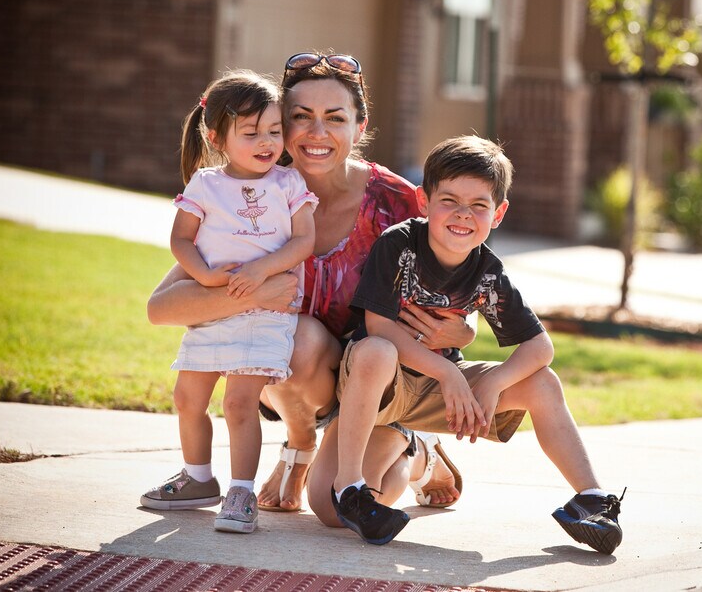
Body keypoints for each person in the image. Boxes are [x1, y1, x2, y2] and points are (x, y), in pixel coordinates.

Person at [146, 51, 467, 522]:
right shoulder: (254, 196)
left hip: (379, 385)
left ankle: (418, 454)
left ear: (360, 128)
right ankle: (300, 444)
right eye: (301, 118)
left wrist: (461, 333)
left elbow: (456, 310)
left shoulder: (399, 203)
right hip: (304, 376)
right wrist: (254, 291)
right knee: (289, 336)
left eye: (335, 118)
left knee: (337, 512)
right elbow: (162, 308)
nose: (317, 134)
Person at [330, 135, 625, 553]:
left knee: (543, 382)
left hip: (436, 394)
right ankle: (352, 488)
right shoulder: (399, 244)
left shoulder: (488, 271)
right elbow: (378, 327)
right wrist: (449, 371)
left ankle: (590, 499)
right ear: (424, 201)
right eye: (448, 200)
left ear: (499, 213)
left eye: (479, 205)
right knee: (329, 513)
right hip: (379, 389)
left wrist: (492, 382)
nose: (462, 215)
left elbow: (540, 348)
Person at [140, 70, 322, 535]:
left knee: (240, 404)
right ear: (216, 136)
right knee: (187, 397)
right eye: (252, 132)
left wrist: (263, 269)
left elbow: (304, 240)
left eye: (275, 131)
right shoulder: (204, 184)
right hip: (214, 307)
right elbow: (181, 239)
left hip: (265, 313)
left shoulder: (287, 183)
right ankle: (199, 478)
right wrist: (202, 275)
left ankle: (242, 491)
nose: (267, 142)